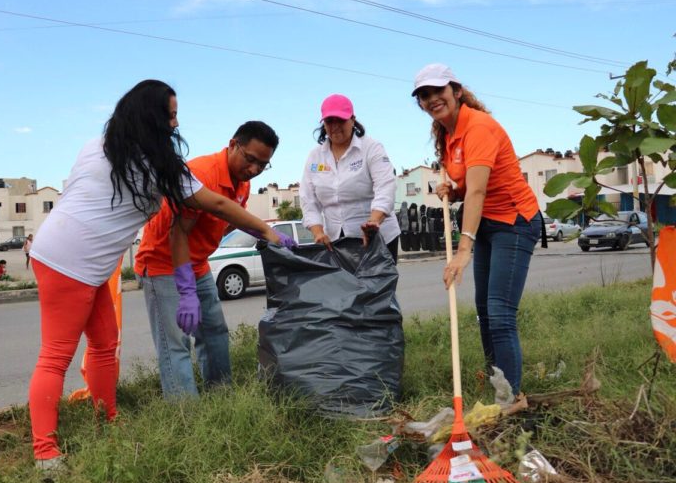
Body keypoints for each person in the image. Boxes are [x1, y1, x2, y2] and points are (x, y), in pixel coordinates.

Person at [26, 79, 285, 471]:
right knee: (56, 356)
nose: (176, 125)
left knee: (103, 343)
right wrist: (266, 230)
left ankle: (107, 420)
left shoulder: (97, 146)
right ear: (149, 117)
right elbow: (212, 202)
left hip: (89, 262)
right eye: (171, 116)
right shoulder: (160, 168)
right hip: (68, 262)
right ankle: (45, 452)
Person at [411, 63, 541, 397]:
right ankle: (497, 385)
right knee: (485, 312)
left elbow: (479, 191)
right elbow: (470, 185)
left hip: (514, 221)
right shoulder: (449, 134)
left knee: (500, 314)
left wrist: (462, 250)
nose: (432, 99)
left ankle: (510, 399)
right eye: (424, 95)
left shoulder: (478, 127)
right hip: (486, 222)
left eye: (438, 91)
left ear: (456, 90)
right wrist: (452, 192)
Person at [135, 120, 288, 397]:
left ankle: (221, 398)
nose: (254, 170)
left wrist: (268, 234)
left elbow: (228, 219)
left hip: (197, 264)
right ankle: (187, 417)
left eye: (262, 165)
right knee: (176, 344)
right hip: (161, 264)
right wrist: (186, 290)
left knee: (214, 332)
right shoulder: (203, 174)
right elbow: (179, 232)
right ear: (233, 145)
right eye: (250, 159)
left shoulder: (241, 183)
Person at [299, 94, 400, 262]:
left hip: (378, 238)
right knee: (345, 288)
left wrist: (374, 222)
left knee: (378, 287)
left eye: (341, 120)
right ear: (323, 124)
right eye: (330, 121)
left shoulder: (371, 148)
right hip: (337, 243)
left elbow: (385, 187)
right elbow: (308, 199)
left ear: (353, 120)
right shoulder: (314, 157)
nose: (335, 126)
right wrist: (318, 232)